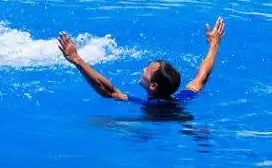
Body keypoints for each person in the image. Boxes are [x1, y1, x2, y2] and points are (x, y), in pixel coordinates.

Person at [58, 18, 224, 106]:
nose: (144, 69)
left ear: (153, 86)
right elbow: (201, 77)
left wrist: (77, 61)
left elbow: (108, 91)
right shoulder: (183, 99)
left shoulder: (149, 106)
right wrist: (214, 44)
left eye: (147, 70)